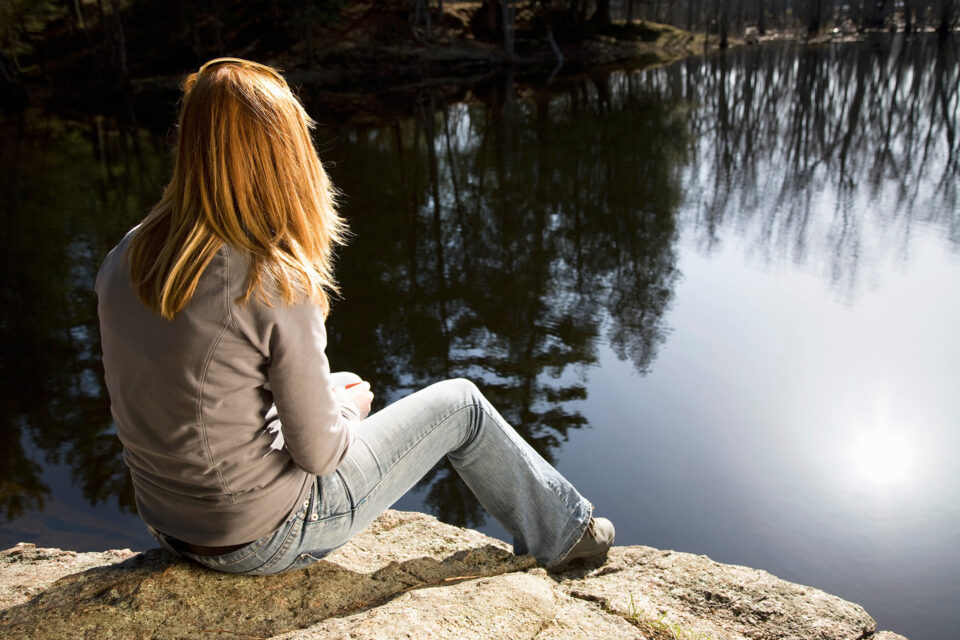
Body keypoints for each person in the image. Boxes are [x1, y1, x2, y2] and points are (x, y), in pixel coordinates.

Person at [94, 56, 614, 576]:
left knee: (337, 382)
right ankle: (567, 534)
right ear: (284, 154)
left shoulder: (127, 255)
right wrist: (349, 415)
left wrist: (330, 407)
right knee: (462, 407)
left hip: (170, 522)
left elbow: (191, 394)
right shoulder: (270, 278)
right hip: (258, 538)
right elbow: (320, 458)